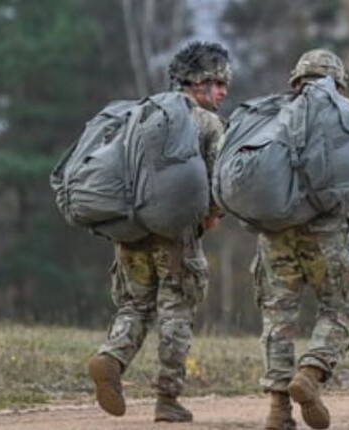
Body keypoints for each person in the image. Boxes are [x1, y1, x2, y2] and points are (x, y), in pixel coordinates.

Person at [87, 41, 230, 423]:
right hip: (178, 235)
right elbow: (221, 180)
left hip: (130, 230)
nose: (223, 91)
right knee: (176, 312)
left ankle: (111, 358)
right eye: (217, 82)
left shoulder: (139, 114)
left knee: (135, 305)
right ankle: (168, 398)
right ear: (196, 84)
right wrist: (212, 216)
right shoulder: (207, 123)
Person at [255, 49, 349, 430]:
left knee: (278, 316)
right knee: (340, 306)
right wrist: (348, 172)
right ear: (338, 81)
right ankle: (312, 372)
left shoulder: (272, 110)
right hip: (325, 229)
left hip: (275, 232)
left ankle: (278, 411)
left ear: (296, 80)